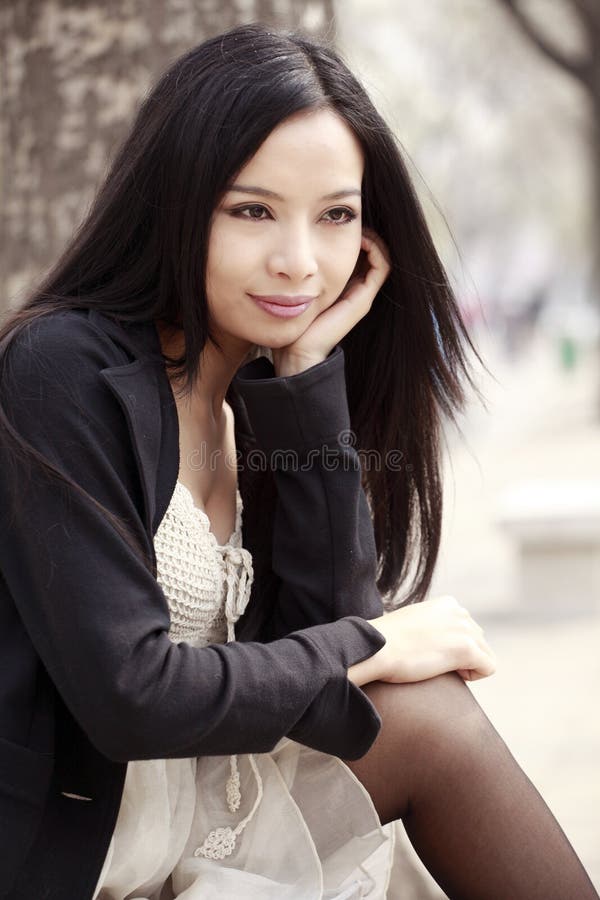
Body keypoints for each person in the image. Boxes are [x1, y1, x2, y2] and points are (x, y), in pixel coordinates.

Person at [0, 22, 596, 900]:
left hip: (204, 805)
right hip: (77, 848)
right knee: (420, 705)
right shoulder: (59, 370)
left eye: (336, 218)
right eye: (252, 211)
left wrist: (308, 376)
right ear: (176, 201)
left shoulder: (255, 390)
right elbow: (131, 695)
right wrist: (376, 643)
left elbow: (322, 634)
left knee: (426, 715)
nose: (299, 262)